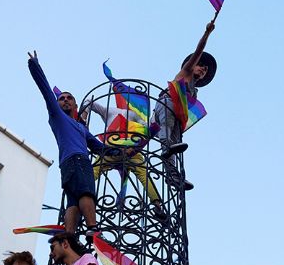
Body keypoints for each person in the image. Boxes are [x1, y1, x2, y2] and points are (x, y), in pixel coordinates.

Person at [28, 50, 109, 235]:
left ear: (75, 105)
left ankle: (69, 236)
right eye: (61, 98)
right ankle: (93, 228)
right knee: (86, 192)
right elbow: (45, 90)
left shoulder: (81, 128)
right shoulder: (57, 116)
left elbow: (98, 147)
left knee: (73, 201)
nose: (64, 100)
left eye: (68, 98)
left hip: (67, 165)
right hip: (78, 161)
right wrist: (35, 65)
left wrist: (121, 152)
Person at [153, 21, 217, 191]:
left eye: (205, 71)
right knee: (167, 139)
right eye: (201, 66)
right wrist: (207, 33)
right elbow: (198, 51)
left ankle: (173, 176)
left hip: (178, 114)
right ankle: (170, 165)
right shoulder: (186, 72)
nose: (203, 70)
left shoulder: (194, 92)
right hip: (167, 104)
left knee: (173, 144)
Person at [81, 98, 166, 220]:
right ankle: (157, 206)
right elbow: (148, 128)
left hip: (110, 147)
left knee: (93, 172)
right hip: (130, 149)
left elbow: (89, 101)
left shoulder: (112, 111)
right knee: (144, 175)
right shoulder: (123, 112)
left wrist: (84, 117)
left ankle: (79, 196)